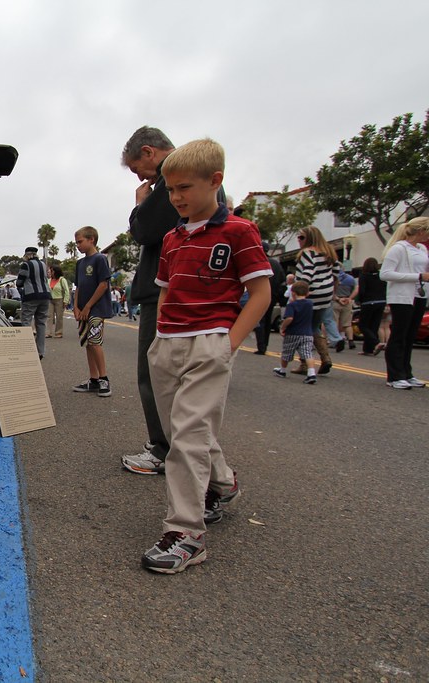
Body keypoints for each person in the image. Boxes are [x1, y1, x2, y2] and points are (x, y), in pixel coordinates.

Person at [139, 138, 271, 574]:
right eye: (170, 190)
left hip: (209, 343)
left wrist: (227, 344)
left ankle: (186, 534)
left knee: (189, 438)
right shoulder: (172, 239)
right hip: (168, 344)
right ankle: (224, 483)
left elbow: (261, 293)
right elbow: (164, 294)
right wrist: (159, 340)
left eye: (184, 188)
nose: (176, 198)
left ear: (215, 181)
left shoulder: (238, 231)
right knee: (184, 432)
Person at [119, 126, 179, 476]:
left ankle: (162, 447)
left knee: (154, 372)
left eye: (136, 167)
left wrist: (140, 204)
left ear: (148, 152)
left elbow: (144, 231)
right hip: (181, 289)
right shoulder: (191, 174)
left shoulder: (172, 174)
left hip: (165, 292)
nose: (139, 176)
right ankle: (181, 450)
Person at [378, 216, 429, 389]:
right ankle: (394, 375)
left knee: (410, 335)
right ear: (421, 231)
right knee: (399, 335)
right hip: (402, 297)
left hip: (419, 295)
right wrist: (418, 276)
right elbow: (385, 274)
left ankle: (406, 372)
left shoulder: (422, 248)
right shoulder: (398, 249)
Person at [292, 226, 342, 374]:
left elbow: (307, 274)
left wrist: (298, 294)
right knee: (314, 326)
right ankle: (325, 357)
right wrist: (332, 290)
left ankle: (305, 363)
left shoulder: (308, 253)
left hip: (310, 294)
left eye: (301, 237)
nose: (299, 240)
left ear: (310, 239)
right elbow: (336, 273)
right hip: (325, 295)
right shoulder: (329, 253)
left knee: (301, 329)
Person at [70, 226, 113, 397]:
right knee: (87, 343)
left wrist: (88, 306)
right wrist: (76, 306)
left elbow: (103, 284)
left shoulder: (100, 259)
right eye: (76, 243)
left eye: (80, 242)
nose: (78, 246)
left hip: (96, 308)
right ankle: (93, 379)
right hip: (82, 310)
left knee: (95, 342)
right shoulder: (80, 263)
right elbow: (79, 286)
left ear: (91, 240)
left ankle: (104, 378)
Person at [273, 280, 318, 384]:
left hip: (293, 333)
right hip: (307, 333)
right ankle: (311, 373)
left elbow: (289, 318)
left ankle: (282, 370)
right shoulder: (310, 304)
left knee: (286, 353)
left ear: (293, 293)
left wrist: (282, 327)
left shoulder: (292, 305)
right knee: (308, 353)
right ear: (307, 293)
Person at [16, 246, 51, 359]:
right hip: (45, 295)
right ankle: (41, 351)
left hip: (31, 295)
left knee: (26, 321)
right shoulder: (43, 264)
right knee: (41, 323)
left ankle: (27, 350)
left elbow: (19, 282)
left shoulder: (26, 265)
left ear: (27, 255)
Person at [253, 240, 286, 355]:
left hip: (258, 296)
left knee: (259, 320)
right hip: (272, 296)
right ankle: (265, 344)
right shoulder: (276, 264)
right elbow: (282, 281)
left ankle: (261, 346)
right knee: (267, 321)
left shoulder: (257, 261)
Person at [356, 258, 387, 355]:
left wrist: (359, 300)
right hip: (381, 302)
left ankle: (376, 342)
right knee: (373, 325)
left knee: (363, 325)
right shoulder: (381, 276)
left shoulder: (364, 276)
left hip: (368, 302)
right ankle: (368, 349)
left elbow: (362, 291)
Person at [332, 269, 360, 350]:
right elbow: (356, 289)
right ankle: (351, 340)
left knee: (335, 321)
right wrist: (350, 298)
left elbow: (330, 291)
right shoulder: (350, 278)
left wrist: (337, 299)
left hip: (336, 302)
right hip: (347, 301)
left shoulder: (333, 278)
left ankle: (337, 340)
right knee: (347, 323)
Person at [46, 264, 70, 338]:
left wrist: (66, 301)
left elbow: (66, 291)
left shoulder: (62, 280)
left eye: (51, 270)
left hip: (59, 299)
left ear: (55, 271)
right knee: (49, 316)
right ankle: (48, 332)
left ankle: (58, 332)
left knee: (59, 317)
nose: (50, 272)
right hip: (50, 300)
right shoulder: (48, 280)